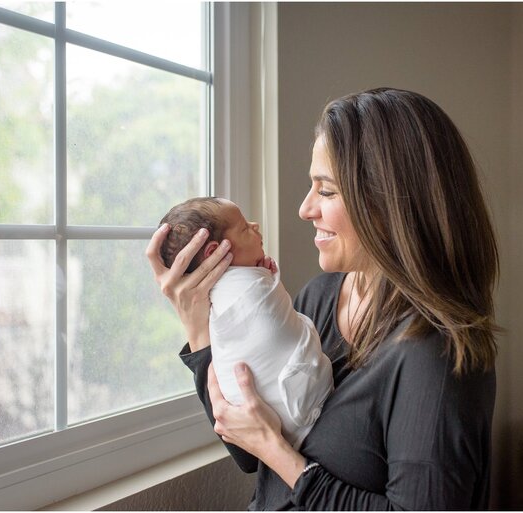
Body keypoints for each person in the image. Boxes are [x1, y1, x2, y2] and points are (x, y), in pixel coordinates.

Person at [146, 87, 500, 510]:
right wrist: (200, 329)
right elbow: (246, 447)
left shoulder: (436, 352)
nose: (304, 208)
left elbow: (268, 448)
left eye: (326, 191)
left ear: (389, 202)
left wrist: (282, 458)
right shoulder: (318, 298)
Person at [157, 197, 333, 451]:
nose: (255, 225)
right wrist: (196, 331)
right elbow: (246, 455)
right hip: (296, 418)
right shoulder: (314, 294)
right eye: (243, 228)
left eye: (327, 192)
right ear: (215, 252)